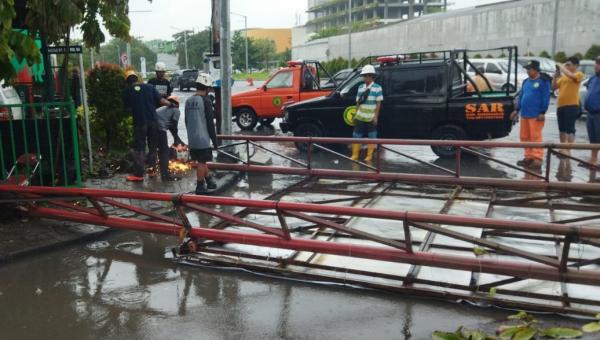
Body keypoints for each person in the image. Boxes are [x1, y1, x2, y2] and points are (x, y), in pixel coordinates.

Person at [122, 70, 171, 182]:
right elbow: (162, 100)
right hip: (153, 122)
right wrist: (172, 104)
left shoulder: (127, 91)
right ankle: (152, 171)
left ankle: (139, 174)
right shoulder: (149, 87)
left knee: (139, 148)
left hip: (139, 122)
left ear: (127, 81)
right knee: (153, 146)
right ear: (137, 78)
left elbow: (127, 108)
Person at [510, 60, 551, 170]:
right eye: (527, 69)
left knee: (535, 137)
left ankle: (537, 158)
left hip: (536, 115)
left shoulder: (543, 81)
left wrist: (542, 112)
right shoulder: (526, 82)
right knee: (525, 137)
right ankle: (528, 156)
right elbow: (521, 96)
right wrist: (516, 109)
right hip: (525, 114)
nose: (528, 71)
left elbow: (546, 97)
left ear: (535, 70)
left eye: (529, 69)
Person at [185, 73, 219, 194]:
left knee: (201, 161)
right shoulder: (206, 101)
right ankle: (200, 186)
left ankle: (208, 179)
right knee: (202, 162)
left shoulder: (188, 101)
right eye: (209, 87)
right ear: (207, 87)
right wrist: (215, 141)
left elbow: (186, 121)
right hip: (203, 138)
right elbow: (210, 123)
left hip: (192, 138)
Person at [552, 56, 585, 156]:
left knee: (570, 128)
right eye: (566, 64)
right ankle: (563, 148)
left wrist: (562, 66)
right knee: (562, 128)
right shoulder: (563, 77)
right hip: (561, 105)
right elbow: (553, 87)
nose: (566, 66)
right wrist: (555, 76)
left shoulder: (578, 74)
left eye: (568, 64)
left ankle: (568, 150)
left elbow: (572, 76)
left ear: (575, 65)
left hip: (572, 105)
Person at [351, 64, 383, 162]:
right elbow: (358, 102)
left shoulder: (378, 88)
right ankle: (355, 155)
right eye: (364, 76)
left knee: (372, 136)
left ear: (371, 76)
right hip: (360, 116)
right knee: (356, 136)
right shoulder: (360, 87)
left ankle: (369, 156)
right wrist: (356, 114)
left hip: (371, 116)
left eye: (367, 75)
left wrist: (376, 117)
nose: (365, 78)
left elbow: (378, 103)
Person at [156, 95, 184, 181]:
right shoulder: (176, 110)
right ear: (177, 104)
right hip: (160, 129)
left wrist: (177, 138)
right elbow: (174, 126)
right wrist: (177, 139)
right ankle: (165, 176)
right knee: (165, 152)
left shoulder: (161, 109)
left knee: (156, 150)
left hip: (151, 129)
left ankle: (152, 171)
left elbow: (171, 127)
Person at [583, 56, 600, 168]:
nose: (596, 65)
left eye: (598, 63)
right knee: (593, 138)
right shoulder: (594, 78)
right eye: (596, 62)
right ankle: (593, 159)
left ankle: (596, 160)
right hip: (590, 113)